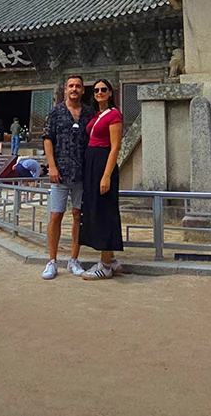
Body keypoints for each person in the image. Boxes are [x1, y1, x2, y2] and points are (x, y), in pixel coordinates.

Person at [42, 75, 94, 280]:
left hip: (82, 172)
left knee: (78, 216)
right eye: (71, 86)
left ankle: (73, 259)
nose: (74, 89)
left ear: (83, 90)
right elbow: (47, 139)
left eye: (78, 86)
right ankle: (52, 260)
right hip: (60, 173)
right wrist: (52, 166)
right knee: (56, 215)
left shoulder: (89, 113)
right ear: (65, 89)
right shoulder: (56, 112)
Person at [80, 78, 125, 280]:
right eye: (96, 90)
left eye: (103, 89)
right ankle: (112, 259)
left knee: (105, 210)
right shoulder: (97, 115)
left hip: (103, 162)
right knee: (96, 209)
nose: (99, 92)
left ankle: (105, 265)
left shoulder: (114, 115)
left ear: (110, 93)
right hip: (92, 163)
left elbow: (115, 146)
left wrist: (106, 175)